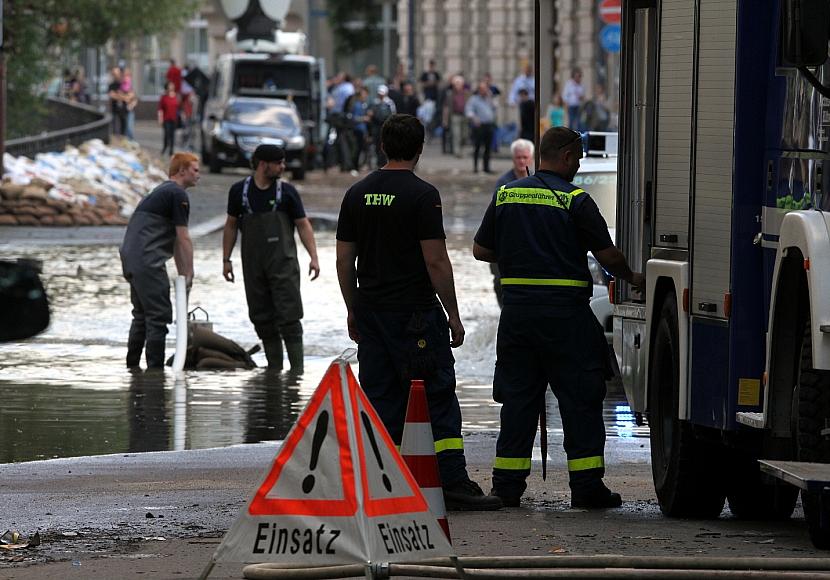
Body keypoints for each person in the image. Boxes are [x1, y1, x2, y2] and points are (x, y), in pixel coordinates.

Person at [335, 114, 503, 511]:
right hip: (415, 316)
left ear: (381, 145)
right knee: (437, 395)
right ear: (420, 148)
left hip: (373, 313)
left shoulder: (356, 193)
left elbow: (344, 261)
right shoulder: (423, 195)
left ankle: (385, 485)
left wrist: (353, 308)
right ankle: (451, 483)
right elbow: (436, 262)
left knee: (381, 399)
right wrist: (454, 315)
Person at [473, 127, 645, 509]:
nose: (580, 163)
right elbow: (607, 255)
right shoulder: (576, 201)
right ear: (565, 155)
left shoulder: (507, 194)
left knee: (517, 401)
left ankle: (506, 488)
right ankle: (585, 488)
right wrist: (633, 277)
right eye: (579, 157)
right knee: (581, 400)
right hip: (566, 317)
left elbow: (480, 250)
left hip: (518, 316)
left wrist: (521, 252)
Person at [222, 145, 320, 373]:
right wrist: (226, 259)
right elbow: (231, 226)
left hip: (283, 264)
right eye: (279, 163)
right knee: (261, 317)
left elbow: (303, 225)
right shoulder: (239, 192)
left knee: (289, 317)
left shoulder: (286, 192)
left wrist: (313, 257)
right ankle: (274, 370)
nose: (283, 167)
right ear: (264, 164)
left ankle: (297, 372)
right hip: (253, 265)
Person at [120, 152, 200, 369]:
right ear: (181, 171)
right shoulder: (177, 194)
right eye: (195, 170)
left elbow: (173, 241)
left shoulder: (161, 191)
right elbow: (183, 238)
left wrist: (184, 276)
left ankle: (133, 369)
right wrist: (190, 272)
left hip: (131, 258)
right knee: (158, 317)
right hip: (147, 260)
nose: (199, 175)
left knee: (141, 315)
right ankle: (155, 373)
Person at [489, 139, 535, 308]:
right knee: (500, 279)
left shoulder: (538, 180)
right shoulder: (503, 183)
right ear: (513, 159)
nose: (522, 161)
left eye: (525, 157)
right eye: (518, 158)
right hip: (505, 239)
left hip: (528, 240)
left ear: (531, 158)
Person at [465, 81, 497, 173]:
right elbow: (468, 111)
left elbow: (495, 107)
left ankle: (486, 168)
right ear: (479, 90)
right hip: (479, 126)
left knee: (488, 148)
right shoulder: (474, 99)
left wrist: (491, 97)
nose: (484, 91)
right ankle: (475, 167)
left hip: (489, 125)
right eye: (482, 89)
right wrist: (474, 118)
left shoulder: (489, 99)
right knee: (477, 147)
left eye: (485, 89)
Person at [158, 81, 179, 157]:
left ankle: (171, 150)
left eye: (172, 86)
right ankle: (165, 147)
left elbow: (178, 107)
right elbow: (160, 109)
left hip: (174, 118)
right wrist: (160, 119)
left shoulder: (176, 96)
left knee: (172, 135)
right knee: (167, 134)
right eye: (170, 86)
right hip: (166, 118)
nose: (171, 87)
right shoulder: (164, 97)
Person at [108, 68, 127, 136]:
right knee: (115, 128)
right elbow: (111, 95)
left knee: (124, 128)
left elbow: (129, 96)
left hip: (124, 110)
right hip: (115, 109)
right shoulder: (112, 85)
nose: (116, 75)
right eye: (114, 74)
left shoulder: (124, 84)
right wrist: (121, 96)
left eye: (117, 74)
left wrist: (119, 96)